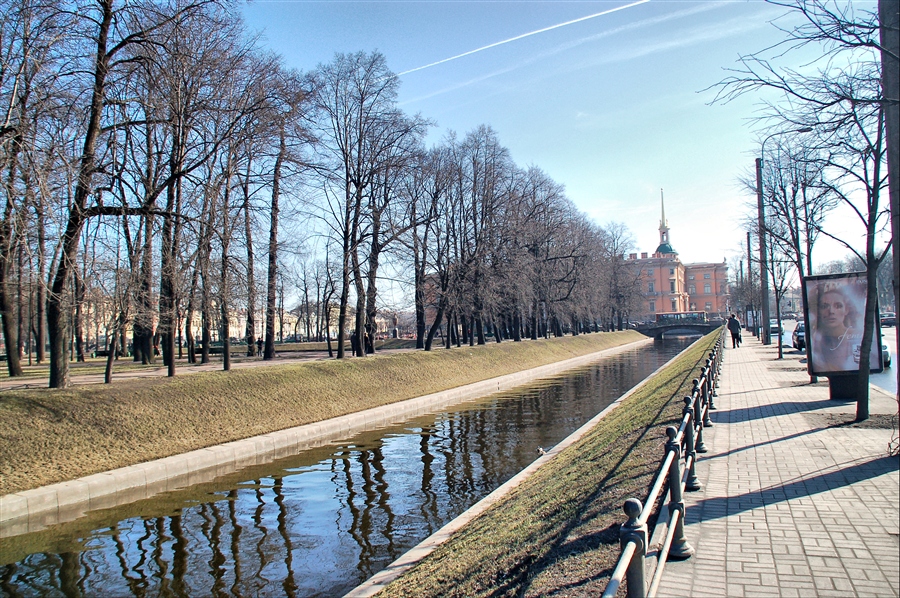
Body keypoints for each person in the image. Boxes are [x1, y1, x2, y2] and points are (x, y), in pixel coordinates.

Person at [811, 286, 859, 372]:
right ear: (818, 311)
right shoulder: (815, 340)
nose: (831, 311)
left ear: (846, 310)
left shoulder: (857, 337)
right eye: (824, 306)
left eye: (838, 306)